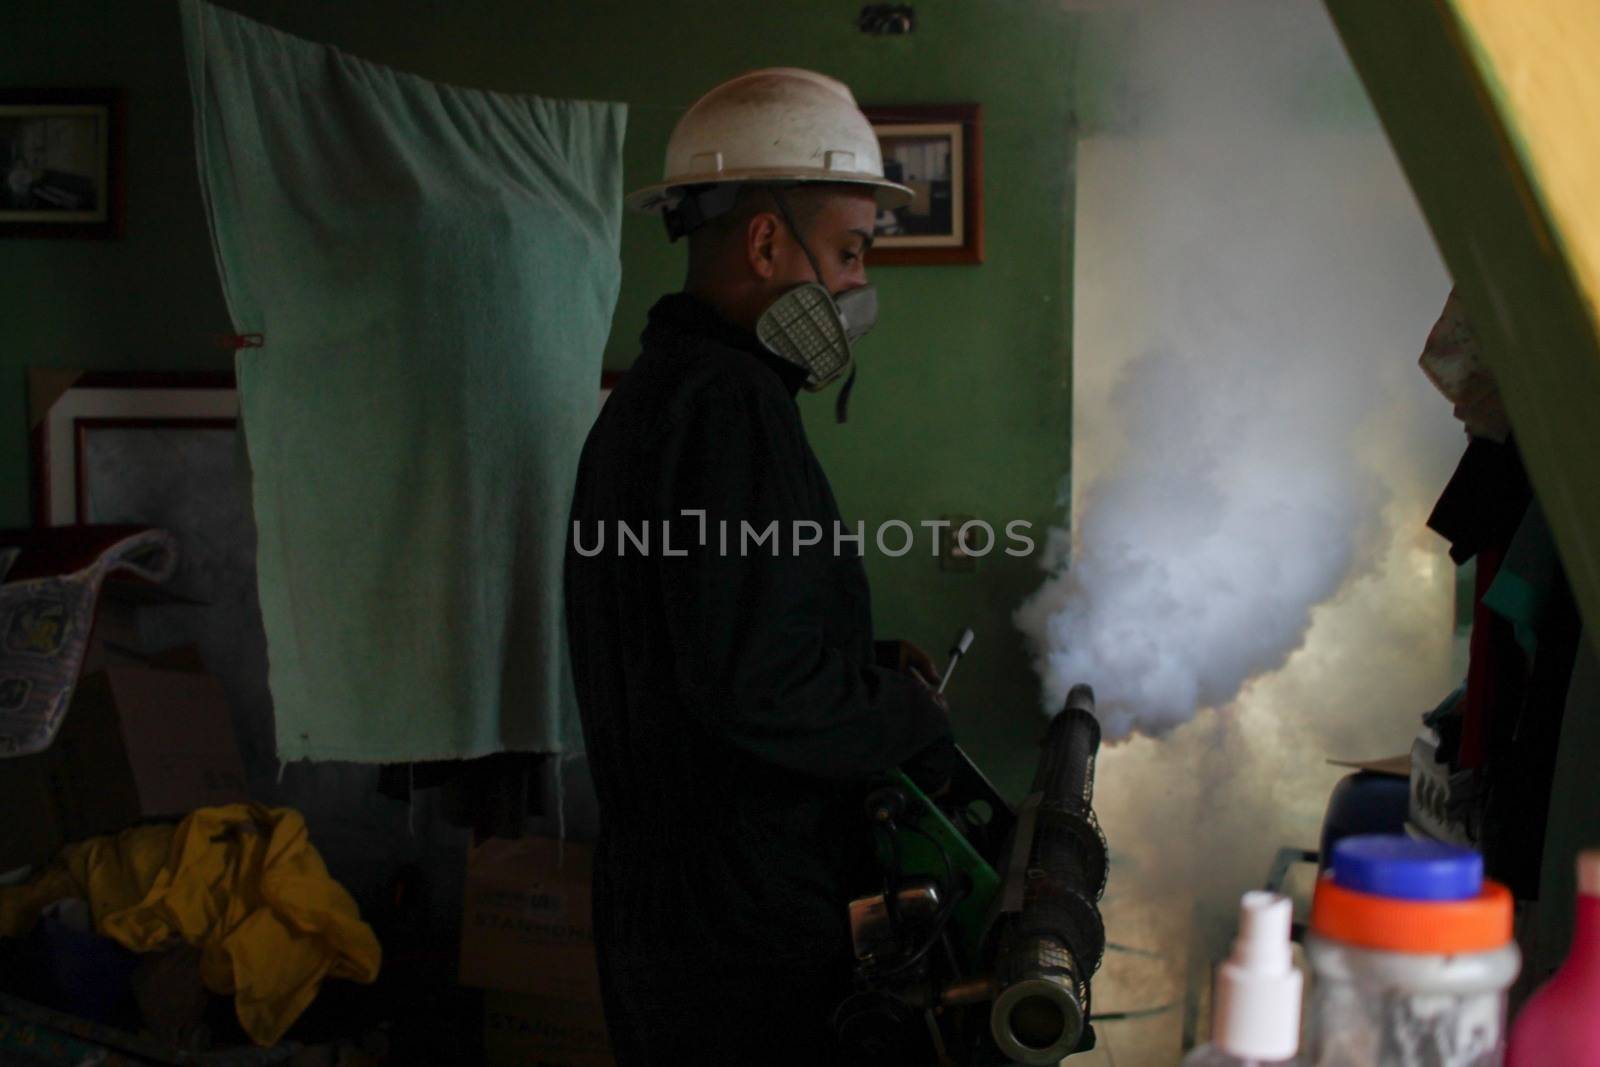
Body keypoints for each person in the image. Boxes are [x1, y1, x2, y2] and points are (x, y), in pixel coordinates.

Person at [563, 68, 957, 1065]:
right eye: (848, 250)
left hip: (672, 908)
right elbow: (756, 689)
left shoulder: (657, 396)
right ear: (765, 241)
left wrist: (860, 661)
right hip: (738, 928)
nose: (858, 283)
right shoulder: (727, 406)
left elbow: (696, 631)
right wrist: (907, 713)